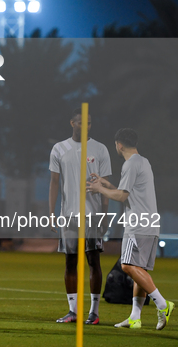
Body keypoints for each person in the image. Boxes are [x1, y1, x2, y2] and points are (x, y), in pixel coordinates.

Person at [87, 128, 174, 330]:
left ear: (119, 144)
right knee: (139, 270)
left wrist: (100, 189)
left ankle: (162, 304)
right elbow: (128, 191)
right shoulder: (143, 161)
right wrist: (107, 183)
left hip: (138, 225)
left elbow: (122, 197)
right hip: (150, 223)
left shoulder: (130, 164)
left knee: (127, 266)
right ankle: (135, 317)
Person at [49, 108, 111, 325]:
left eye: (89, 123)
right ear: (72, 123)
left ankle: (94, 312)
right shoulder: (59, 148)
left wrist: (104, 215)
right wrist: (51, 212)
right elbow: (54, 182)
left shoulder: (100, 149)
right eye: (80, 123)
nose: (85, 127)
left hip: (92, 215)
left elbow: (104, 186)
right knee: (70, 261)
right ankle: (73, 311)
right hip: (68, 215)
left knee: (94, 261)